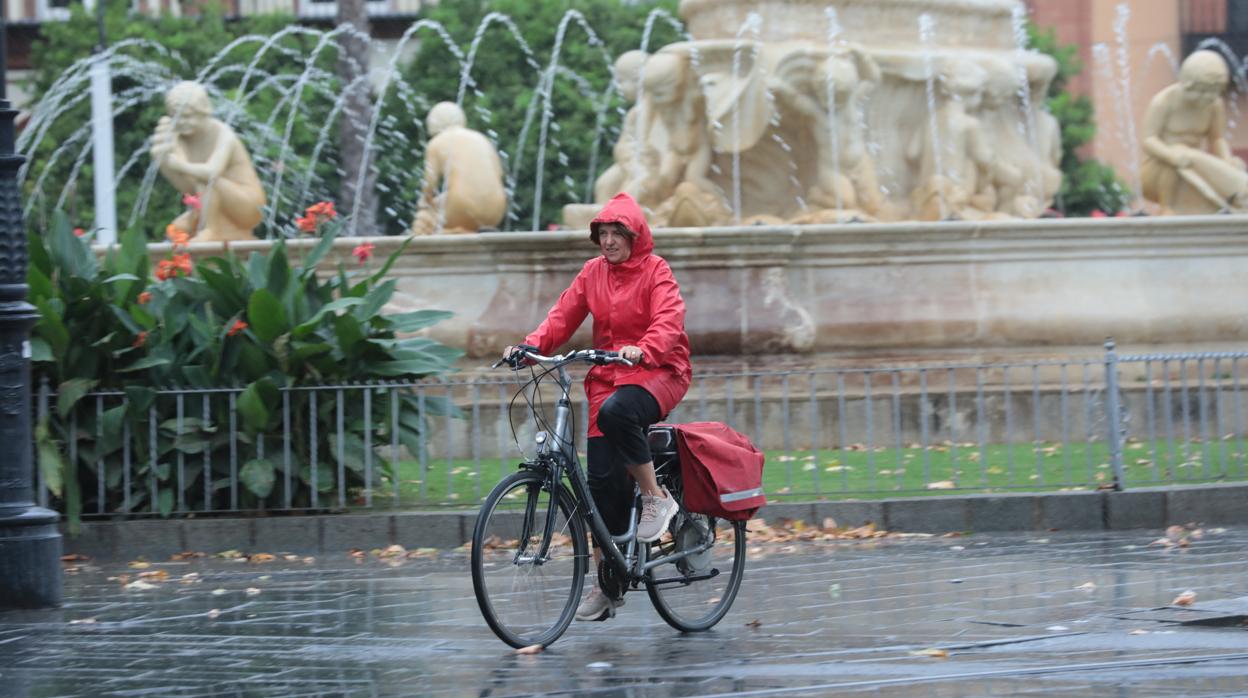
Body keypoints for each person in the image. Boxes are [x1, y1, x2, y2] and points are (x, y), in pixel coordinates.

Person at [503, 192, 692, 622]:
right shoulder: (592, 274)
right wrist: (529, 347)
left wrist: (644, 349)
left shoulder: (656, 271)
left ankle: (655, 498)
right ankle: (609, 585)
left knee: (617, 414)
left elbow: (669, 321)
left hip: (659, 370)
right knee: (601, 485)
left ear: (635, 236)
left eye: (616, 234)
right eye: (602, 234)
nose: (608, 242)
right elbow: (561, 317)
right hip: (610, 377)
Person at [149, 81, 266, 242]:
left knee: (206, 177)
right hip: (214, 202)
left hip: (248, 206)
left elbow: (211, 172)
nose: (182, 122)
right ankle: (209, 228)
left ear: (203, 111)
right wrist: (165, 161)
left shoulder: (224, 134)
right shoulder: (182, 137)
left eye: (187, 116)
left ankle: (210, 230)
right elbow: (190, 188)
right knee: (177, 229)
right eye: (177, 117)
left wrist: (178, 165)